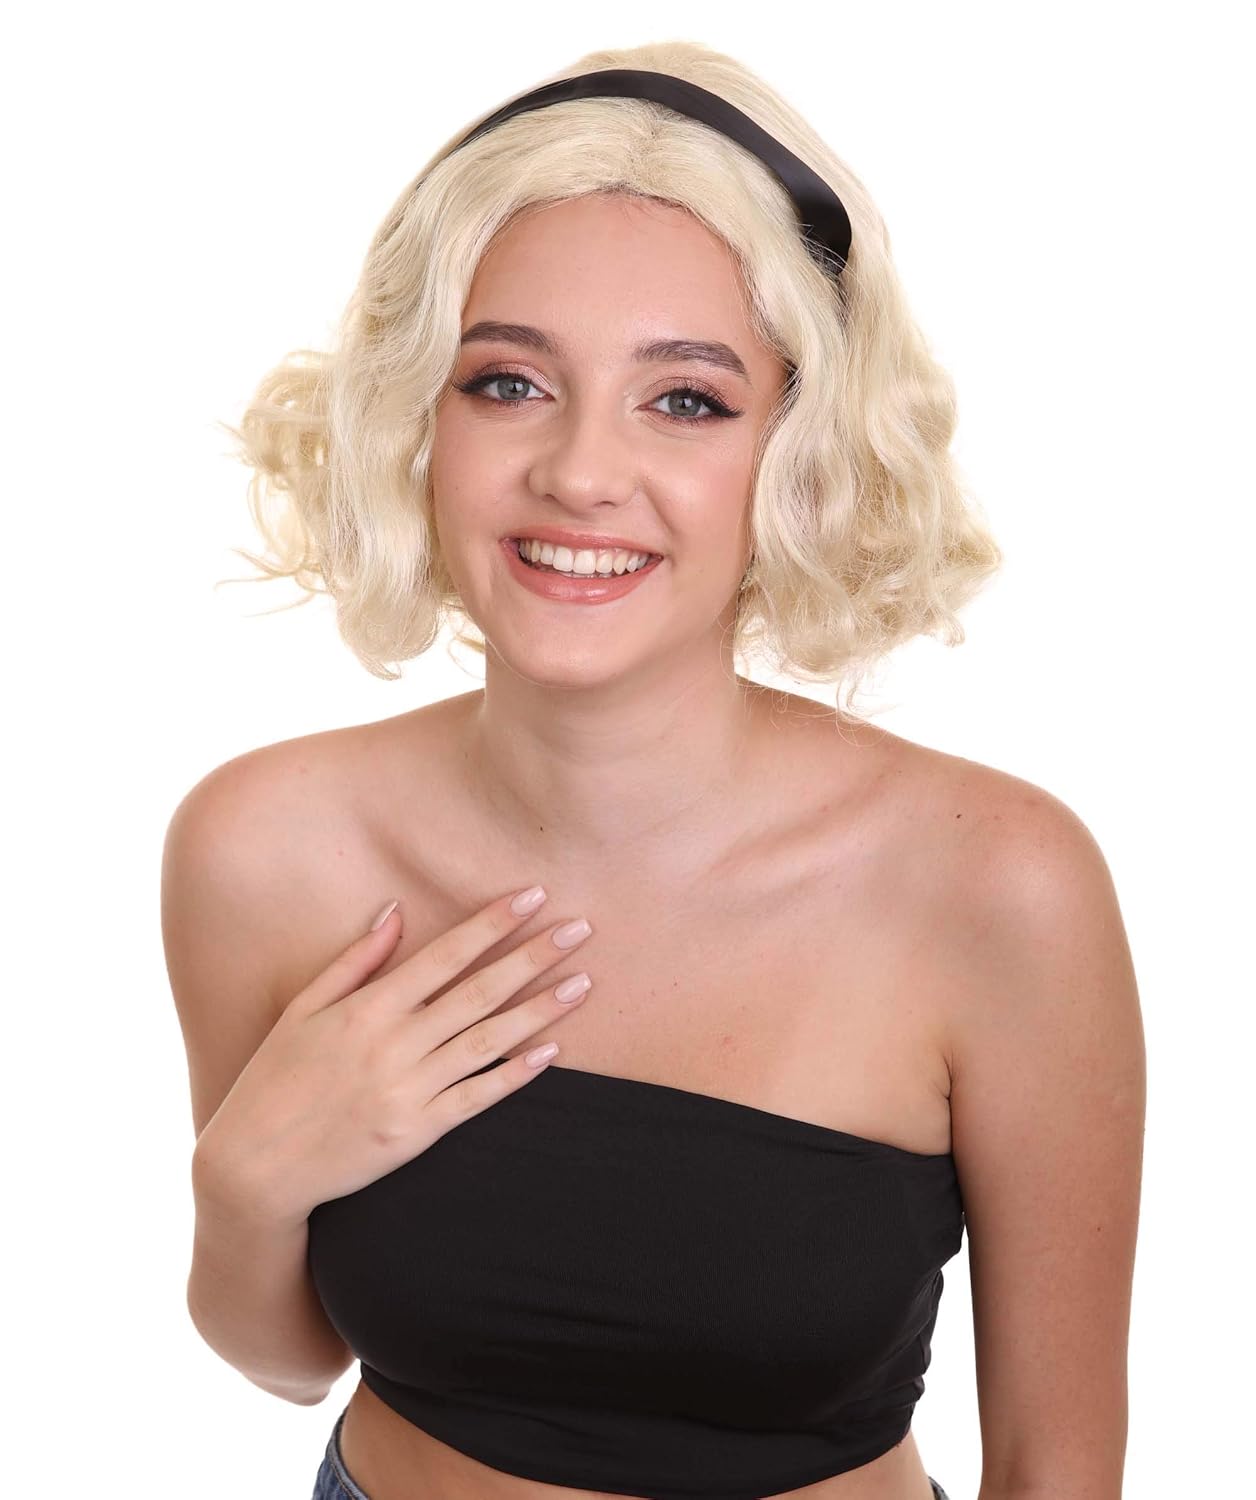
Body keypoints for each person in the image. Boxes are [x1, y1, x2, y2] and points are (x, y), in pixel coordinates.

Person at [163, 38, 1146, 1500]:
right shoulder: (266, 846)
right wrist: (245, 1181)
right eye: (506, 382)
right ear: (416, 421)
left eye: (685, 399)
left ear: (802, 454)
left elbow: (1060, 1465)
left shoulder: (997, 884)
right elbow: (291, 1353)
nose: (579, 473)